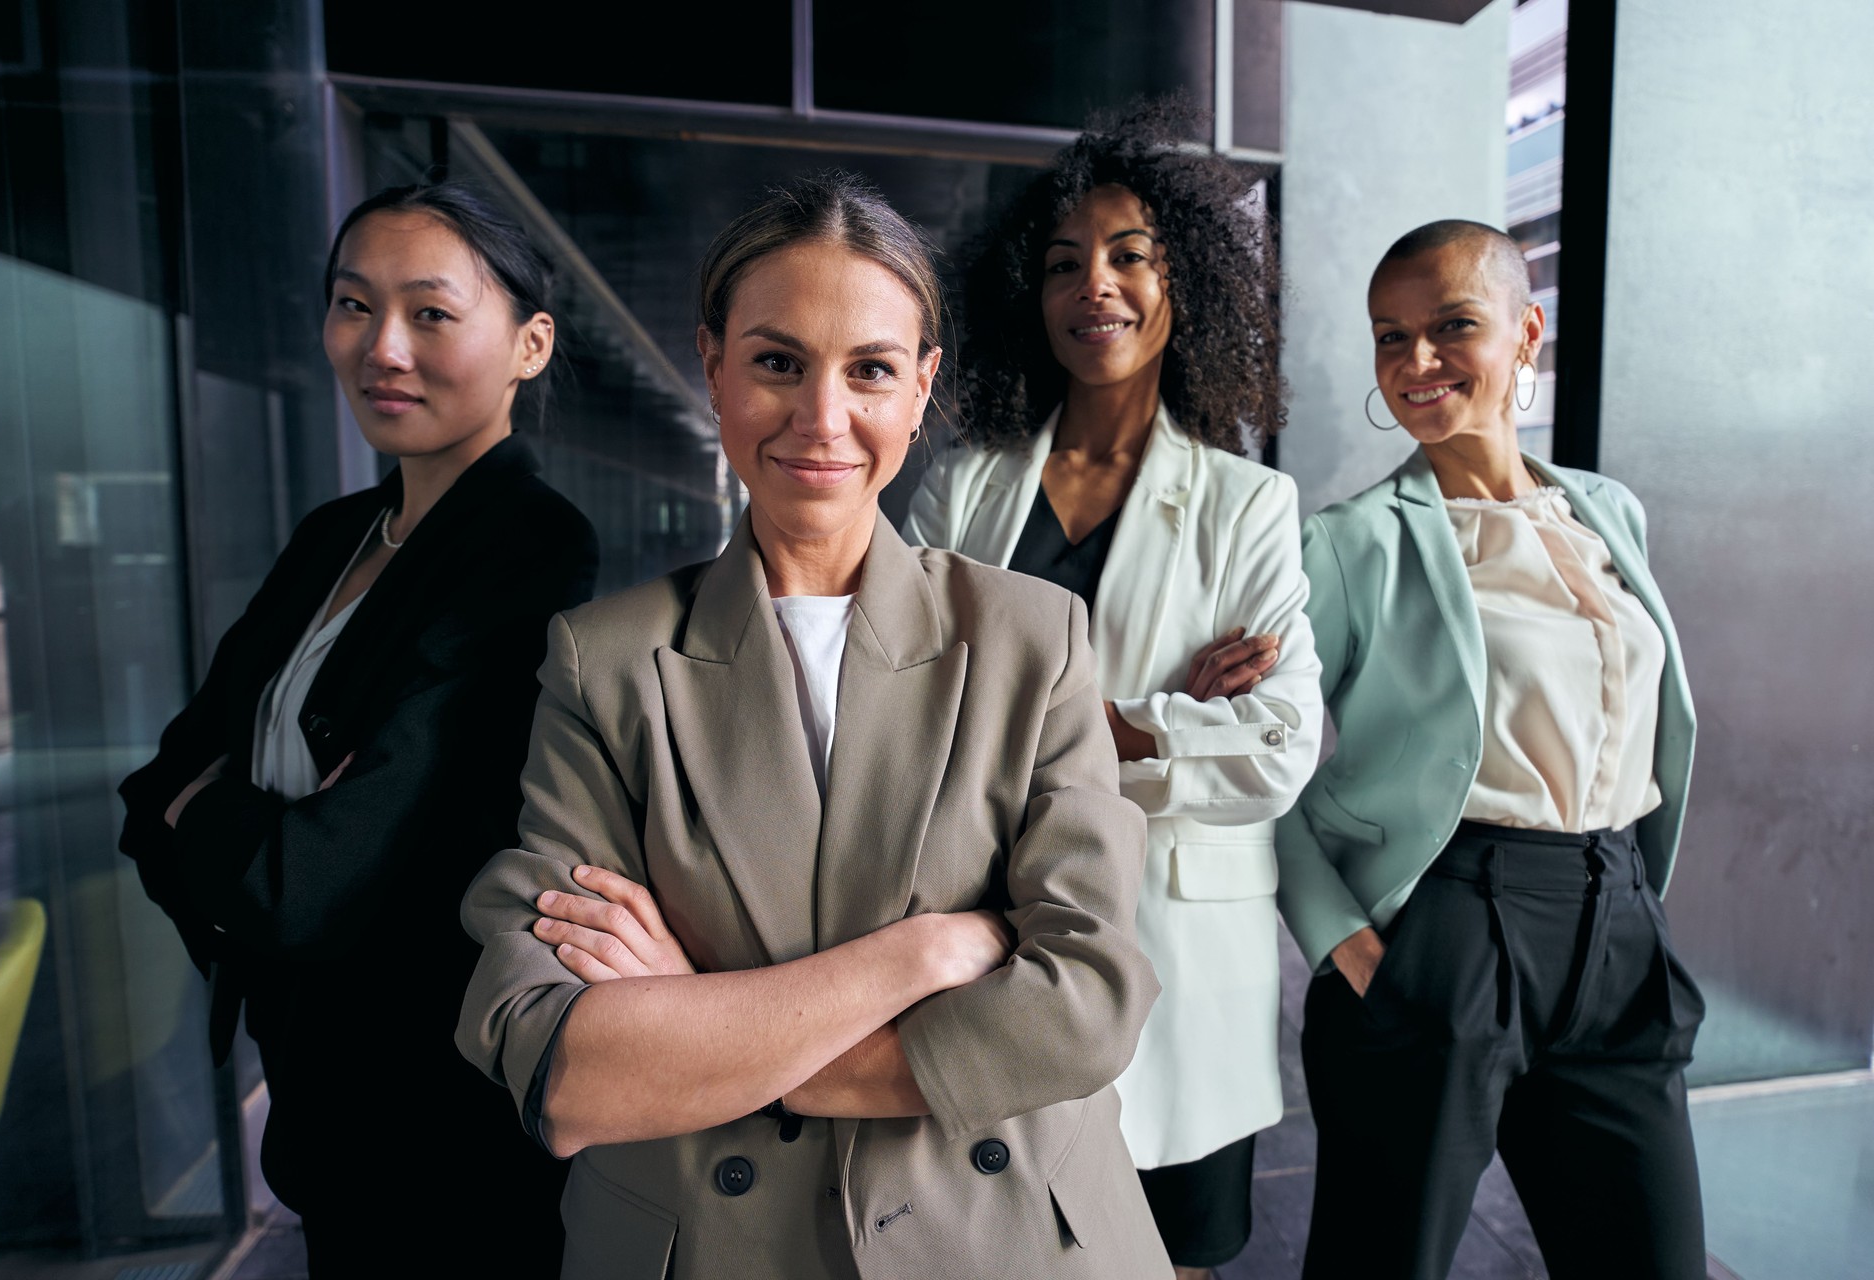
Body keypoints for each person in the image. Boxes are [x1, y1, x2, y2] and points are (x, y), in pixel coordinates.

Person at [456, 172, 1171, 1280]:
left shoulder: (1035, 638)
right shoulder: (604, 663)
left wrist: (708, 1029)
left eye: (872, 370)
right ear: (713, 365)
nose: (821, 418)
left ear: (922, 384)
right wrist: (925, 950)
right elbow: (568, 1070)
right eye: (778, 362)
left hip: (1007, 1238)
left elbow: (1085, 1007)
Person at [117, 182, 598, 1275]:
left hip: (434, 1111)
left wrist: (230, 821)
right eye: (352, 303)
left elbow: (314, 879)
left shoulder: (529, 546)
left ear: (529, 344)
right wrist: (255, 844)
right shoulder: (336, 532)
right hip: (312, 1083)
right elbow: (153, 795)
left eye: (430, 312)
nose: (381, 346)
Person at [901, 105, 1322, 1278]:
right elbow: (913, 709)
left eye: (1131, 252)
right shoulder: (967, 492)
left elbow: (1280, 749)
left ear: (1186, 278)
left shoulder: (1248, 505)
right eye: (1064, 262)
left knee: (1169, 1254)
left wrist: (1076, 721)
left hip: (1180, 960)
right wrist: (1161, 714)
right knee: (997, 1242)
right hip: (991, 930)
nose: (1098, 285)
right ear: (1027, 296)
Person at [1278, 219, 1705, 1280]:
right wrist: (1343, 938)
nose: (1416, 362)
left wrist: (1634, 911)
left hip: (1614, 920)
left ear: (1527, 330)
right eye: (1390, 337)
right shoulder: (1346, 542)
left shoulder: (1607, 512)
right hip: (1452, 925)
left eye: (1450, 327)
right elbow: (1255, 767)